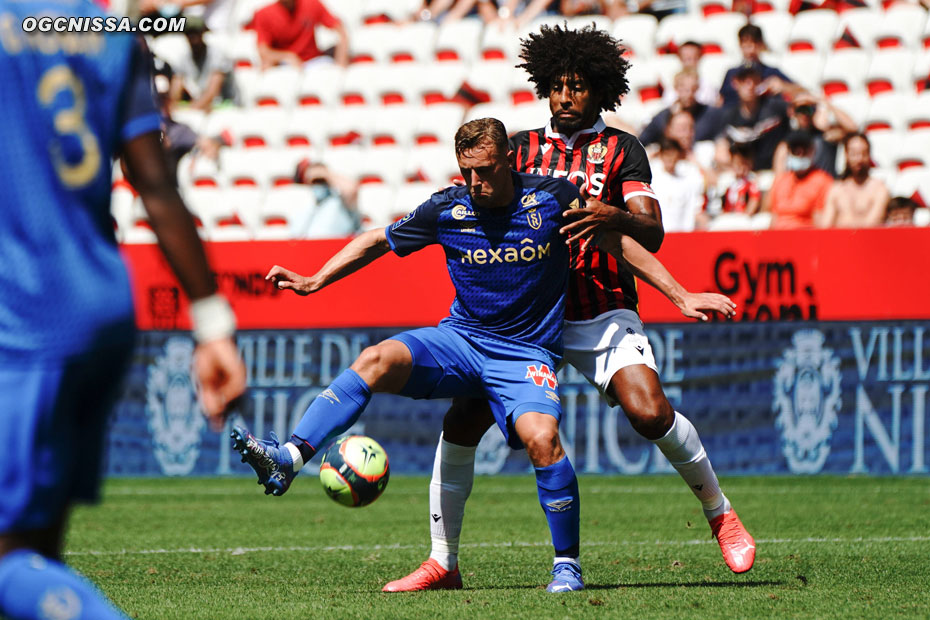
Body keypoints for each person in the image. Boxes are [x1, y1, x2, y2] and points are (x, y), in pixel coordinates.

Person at [385, 24, 755, 593]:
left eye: (576, 86)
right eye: (556, 85)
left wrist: (622, 225)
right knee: (462, 422)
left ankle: (720, 513)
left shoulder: (622, 149)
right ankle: (442, 559)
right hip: (524, 319)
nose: (564, 96)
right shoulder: (521, 146)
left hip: (600, 306)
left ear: (597, 90)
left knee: (650, 413)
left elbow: (651, 231)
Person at [234, 118, 591, 592]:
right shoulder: (449, 207)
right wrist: (315, 279)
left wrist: (677, 293)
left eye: (484, 170)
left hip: (524, 353)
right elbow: (376, 240)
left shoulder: (554, 198)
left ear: (509, 158)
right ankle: (289, 457)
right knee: (375, 359)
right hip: (461, 340)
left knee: (542, 440)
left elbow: (614, 240)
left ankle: (566, 564)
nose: (475, 183)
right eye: (466, 172)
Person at [0, 4, 247, 619]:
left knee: (7, 564)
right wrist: (212, 324)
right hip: (101, 305)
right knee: (35, 556)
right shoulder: (109, 32)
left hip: (20, 316)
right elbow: (156, 183)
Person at [716, 63, 790, 171]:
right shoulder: (730, 115)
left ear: (760, 82)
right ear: (735, 83)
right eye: (744, 80)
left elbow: (804, 103)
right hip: (743, 172)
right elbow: (721, 146)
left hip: (772, 172)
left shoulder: (775, 107)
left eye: (754, 80)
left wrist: (786, 87)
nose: (750, 85)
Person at [771, 93, 858, 178]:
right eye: (801, 109)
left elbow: (853, 129)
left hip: (826, 188)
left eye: (809, 109)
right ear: (792, 112)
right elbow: (779, 178)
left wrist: (825, 103)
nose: (805, 114)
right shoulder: (786, 144)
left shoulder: (827, 136)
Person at [764, 130, 833, 228]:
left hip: (805, 237)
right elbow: (774, 217)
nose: (799, 154)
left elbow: (821, 222)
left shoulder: (823, 181)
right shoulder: (781, 180)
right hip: (778, 237)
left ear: (812, 151)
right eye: (795, 150)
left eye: (804, 150)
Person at [719, 24, 799, 108]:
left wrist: (783, 86)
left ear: (761, 45)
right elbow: (720, 101)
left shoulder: (771, 72)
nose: (751, 50)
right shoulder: (731, 73)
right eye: (746, 45)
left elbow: (800, 90)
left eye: (754, 44)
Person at [252, 0, 349, 69]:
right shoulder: (263, 14)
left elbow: (340, 30)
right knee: (266, 67)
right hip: (286, 67)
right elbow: (263, 52)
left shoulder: (311, 3)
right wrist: (287, 56)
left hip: (315, 63)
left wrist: (341, 64)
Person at [821, 134, 889, 228]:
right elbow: (825, 226)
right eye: (854, 154)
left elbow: (872, 225)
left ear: (869, 155)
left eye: (863, 153)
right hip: (840, 241)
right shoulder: (836, 189)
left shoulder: (879, 188)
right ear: (846, 155)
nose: (859, 159)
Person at [166, 16, 232, 112]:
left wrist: (191, 111)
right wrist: (173, 107)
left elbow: (213, 91)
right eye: (189, 33)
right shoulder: (183, 56)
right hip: (197, 106)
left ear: (202, 33)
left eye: (196, 33)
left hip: (222, 107)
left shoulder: (217, 55)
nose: (193, 38)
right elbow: (177, 86)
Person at [641, 69, 721, 147]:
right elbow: (643, 141)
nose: (689, 94)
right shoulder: (663, 117)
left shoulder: (709, 114)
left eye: (693, 89)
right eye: (685, 89)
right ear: (676, 88)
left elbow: (720, 139)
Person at [649, 137, 706, 232]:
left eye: (673, 156)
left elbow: (695, 206)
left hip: (682, 233)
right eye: (667, 155)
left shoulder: (689, 175)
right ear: (661, 155)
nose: (670, 160)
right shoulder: (651, 173)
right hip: (657, 233)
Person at [661, 41, 719, 107]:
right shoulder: (671, 86)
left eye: (694, 58)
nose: (690, 62)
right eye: (686, 58)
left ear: (700, 58)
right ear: (680, 59)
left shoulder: (707, 85)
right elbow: (669, 106)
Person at [721, 142, 762, 215]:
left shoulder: (751, 182)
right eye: (738, 164)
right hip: (728, 217)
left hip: (742, 218)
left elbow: (754, 200)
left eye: (745, 164)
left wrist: (746, 216)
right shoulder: (727, 181)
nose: (742, 168)